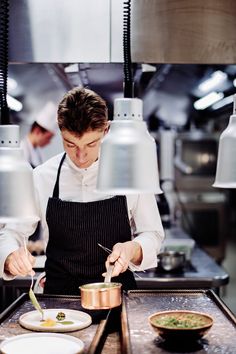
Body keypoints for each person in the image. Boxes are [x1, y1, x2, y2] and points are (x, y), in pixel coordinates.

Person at [0, 87, 164, 295]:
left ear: (106, 130)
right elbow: (11, 231)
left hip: (116, 296)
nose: (81, 156)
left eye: (91, 143)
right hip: (59, 299)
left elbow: (153, 233)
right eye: (70, 144)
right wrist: (9, 256)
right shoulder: (42, 176)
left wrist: (133, 249)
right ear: (60, 132)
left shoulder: (129, 173)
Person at [20, 101, 57, 168]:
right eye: (48, 138)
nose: (49, 142)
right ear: (37, 131)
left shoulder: (38, 151)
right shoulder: (21, 149)